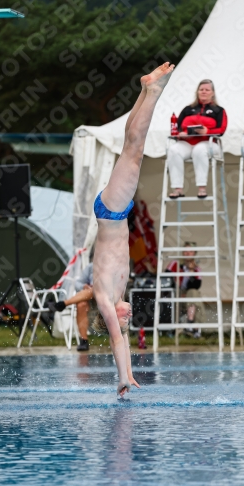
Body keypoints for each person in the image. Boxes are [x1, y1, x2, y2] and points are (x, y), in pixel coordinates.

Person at [92, 62, 175, 397]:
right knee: (132, 149)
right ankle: (145, 89)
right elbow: (123, 339)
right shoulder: (117, 295)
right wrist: (127, 376)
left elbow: (116, 336)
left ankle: (152, 92)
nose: (128, 317)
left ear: (112, 316)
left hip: (111, 213)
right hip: (115, 212)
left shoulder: (105, 299)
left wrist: (121, 377)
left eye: (125, 319)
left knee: (134, 151)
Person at [168, 79, 227, 199]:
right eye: (201, 89)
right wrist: (182, 134)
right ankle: (178, 188)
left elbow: (221, 130)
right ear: (197, 92)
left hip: (209, 143)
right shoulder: (188, 109)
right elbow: (177, 128)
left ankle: (202, 187)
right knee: (173, 150)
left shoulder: (218, 110)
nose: (204, 92)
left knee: (199, 150)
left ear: (213, 93)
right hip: (188, 142)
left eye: (207, 90)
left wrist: (208, 131)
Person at [48, 262, 93, 351]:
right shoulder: (91, 267)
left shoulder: (112, 266)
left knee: (97, 289)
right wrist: (84, 286)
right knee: (81, 304)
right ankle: (84, 340)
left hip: (108, 296)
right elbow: (78, 283)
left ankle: (64, 303)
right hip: (91, 298)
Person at [166, 241, 205, 337]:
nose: (188, 253)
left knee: (193, 293)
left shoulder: (197, 269)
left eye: (191, 251)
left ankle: (190, 322)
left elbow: (196, 286)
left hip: (189, 294)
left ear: (194, 254)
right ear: (182, 252)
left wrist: (191, 271)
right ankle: (194, 329)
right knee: (194, 298)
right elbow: (166, 280)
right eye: (186, 251)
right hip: (175, 292)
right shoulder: (175, 263)